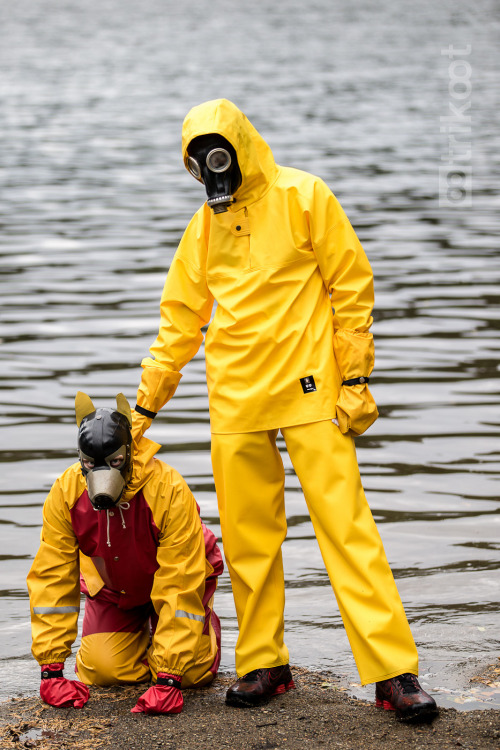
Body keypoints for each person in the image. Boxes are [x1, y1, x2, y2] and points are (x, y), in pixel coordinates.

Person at [132, 99, 438, 721]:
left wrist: (354, 376)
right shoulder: (204, 228)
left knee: (346, 528)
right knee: (247, 539)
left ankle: (392, 671)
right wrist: (143, 407)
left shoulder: (305, 196)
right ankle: (263, 662)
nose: (213, 170)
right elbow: (179, 322)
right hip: (235, 396)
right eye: (199, 161)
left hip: (309, 389)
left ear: (242, 144)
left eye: (219, 152)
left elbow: (351, 283)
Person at [27, 392, 223, 714]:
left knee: (191, 674)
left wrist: (169, 678)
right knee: (102, 672)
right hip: (115, 590)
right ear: (80, 458)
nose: (102, 475)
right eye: (90, 464)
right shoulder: (66, 493)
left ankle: (203, 631)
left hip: (178, 578)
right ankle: (147, 636)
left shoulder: (168, 489)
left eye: (115, 462)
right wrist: (51, 669)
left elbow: (180, 579)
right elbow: (52, 576)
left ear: (129, 452)